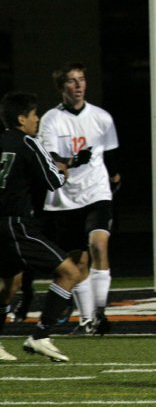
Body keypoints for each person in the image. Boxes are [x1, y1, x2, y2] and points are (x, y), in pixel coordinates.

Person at [37, 62, 121, 335]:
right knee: (77, 262)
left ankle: (100, 313)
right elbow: (51, 160)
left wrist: (115, 178)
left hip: (96, 193)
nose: (78, 85)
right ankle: (87, 320)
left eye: (81, 80)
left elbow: (112, 156)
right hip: (65, 198)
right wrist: (73, 160)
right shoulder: (51, 119)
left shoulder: (102, 118)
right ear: (62, 87)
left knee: (99, 244)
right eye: (71, 81)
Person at [0, 91, 82, 362]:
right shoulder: (27, 142)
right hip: (17, 225)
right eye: (34, 115)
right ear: (22, 118)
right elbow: (54, 180)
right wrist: (64, 168)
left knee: (10, 285)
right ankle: (41, 335)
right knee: (70, 272)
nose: (37, 120)